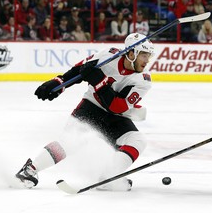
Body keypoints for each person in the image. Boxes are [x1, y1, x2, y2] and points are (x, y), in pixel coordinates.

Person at [15, 32, 155, 191]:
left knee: (137, 141)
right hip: (90, 108)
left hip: (115, 118)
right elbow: (80, 70)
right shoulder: (108, 56)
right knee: (71, 141)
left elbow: (117, 106)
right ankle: (30, 169)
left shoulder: (143, 81)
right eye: (143, 55)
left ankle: (109, 176)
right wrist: (58, 84)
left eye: (148, 56)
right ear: (131, 53)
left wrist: (100, 83)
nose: (147, 60)